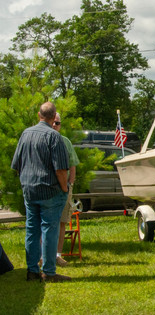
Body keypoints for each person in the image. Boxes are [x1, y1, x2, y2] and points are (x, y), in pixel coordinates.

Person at [11, 102, 71, 282]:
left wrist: (26, 182)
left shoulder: (25, 134)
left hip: (29, 190)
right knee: (49, 230)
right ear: (54, 118)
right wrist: (64, 187)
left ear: (39, 115)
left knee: (32, 229)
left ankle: (32, 271)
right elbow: (61, 170)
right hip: (49, 190)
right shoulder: (54, 137)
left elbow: (16, 164)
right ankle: (49, 272)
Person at [52, 113, 79, 266]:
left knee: (62, 221)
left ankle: (58, 255)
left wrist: (70, 183)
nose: (55, 125)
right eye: (53, 122)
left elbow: (73, 163)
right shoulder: (43, 140)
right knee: (46, 222)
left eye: (58, 123)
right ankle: (43, 255)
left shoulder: (65, 142)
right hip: (49, 188)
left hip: (65, 189)